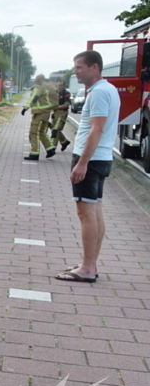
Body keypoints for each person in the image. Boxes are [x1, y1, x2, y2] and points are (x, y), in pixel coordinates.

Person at [56, 50, 119, 283]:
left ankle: (88, 268)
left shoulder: (100, 93)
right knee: (94, 211)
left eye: (79, 67)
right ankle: (90, 263)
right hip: (100, 158)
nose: (75, 72)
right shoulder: (108, 89)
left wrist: (82, 162)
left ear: (94, 67)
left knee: (85, 213)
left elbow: (97, 129)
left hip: (91, 159)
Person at [23, 74, 57, 160]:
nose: (35, 81)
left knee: (33, 132)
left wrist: (26, 107)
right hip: (47, 112)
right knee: (41, 131)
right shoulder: (51, 86)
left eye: (37, 80)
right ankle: (50, 149)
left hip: (39, 113)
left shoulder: (39, 86)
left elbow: (35, 97)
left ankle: (34, 154)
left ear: (40, 79)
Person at [50, 84, 72, 152]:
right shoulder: (55, 93)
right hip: (55, 112)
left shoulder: (66, 93)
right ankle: (64, 141)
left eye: (61, 85)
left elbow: (66, 105)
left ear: (64, 86)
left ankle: (52, 148)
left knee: (55, 130)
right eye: (58, 85)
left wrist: (56, 107)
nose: (59, 87)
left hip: (62, 113)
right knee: (55, 129)